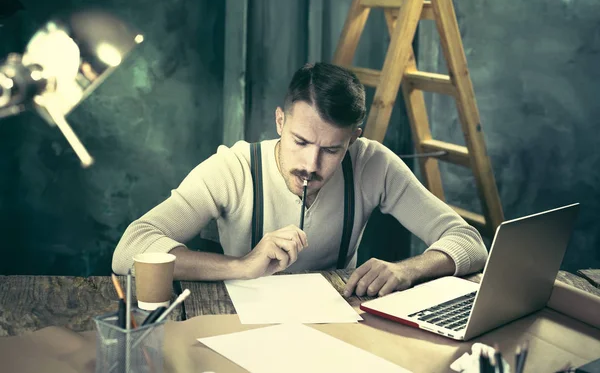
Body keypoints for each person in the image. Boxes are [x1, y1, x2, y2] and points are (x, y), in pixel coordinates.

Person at [112, 62, 488, 297]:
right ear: (280, 122)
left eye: (332, 150)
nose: (311, 163)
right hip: (241, 327)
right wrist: (241, 265)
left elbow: (469, 242)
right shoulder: (235, 168)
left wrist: (406, 270)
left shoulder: (372, 164)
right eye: (301, 141)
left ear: (353, 139)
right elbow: (131, 248)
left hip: (340, 329)